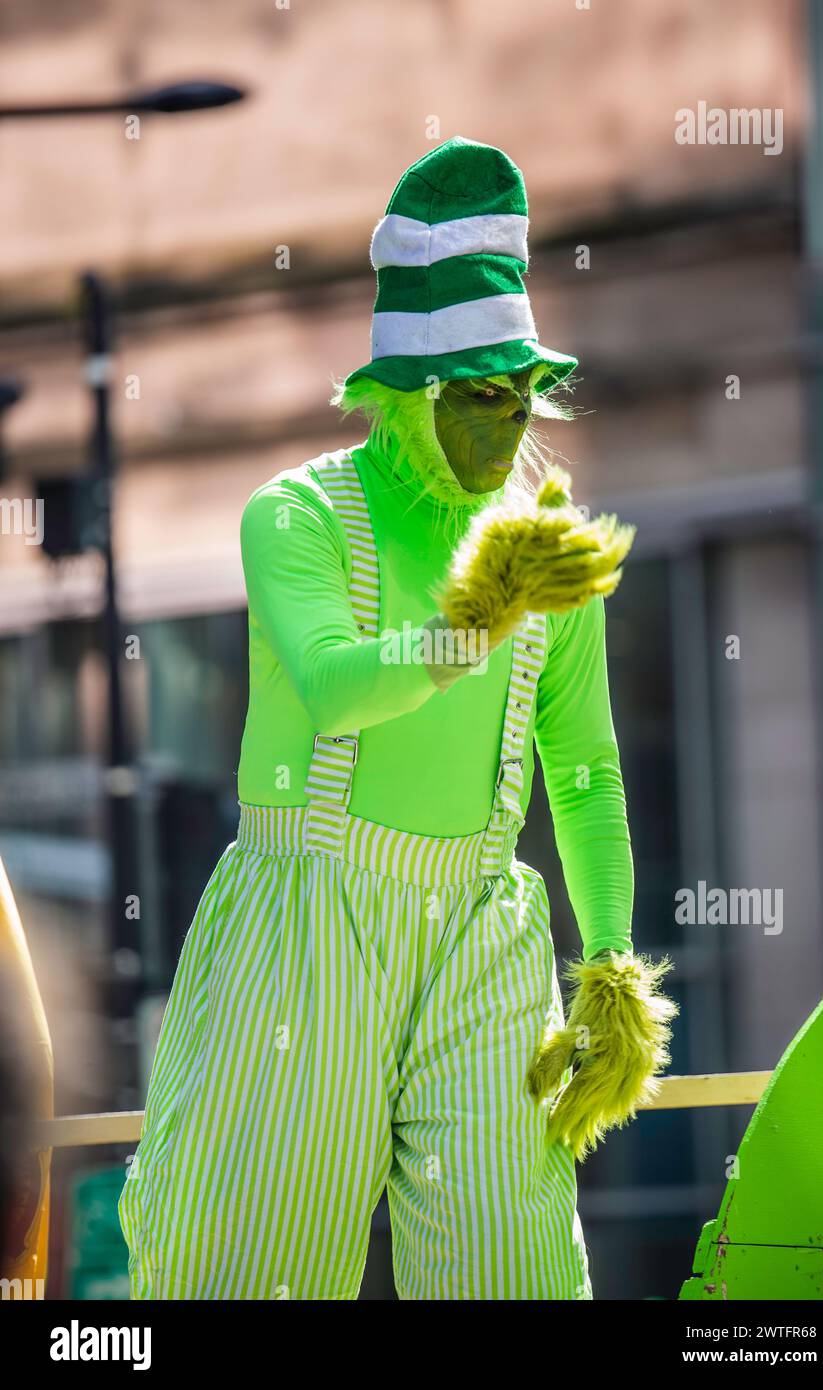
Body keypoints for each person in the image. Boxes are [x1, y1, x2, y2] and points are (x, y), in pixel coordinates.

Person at [119, 136, 675, 1301]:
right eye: (479, 396)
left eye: (523, 394)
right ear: (407, 395)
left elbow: (581, 772)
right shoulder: (297, 515)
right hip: (307, 921)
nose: (511, 424)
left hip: (484, 924)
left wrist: (611, 966)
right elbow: (329, 681)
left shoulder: (545, 545)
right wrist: (475, 620)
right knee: (250, 1268)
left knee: (511, 1271)